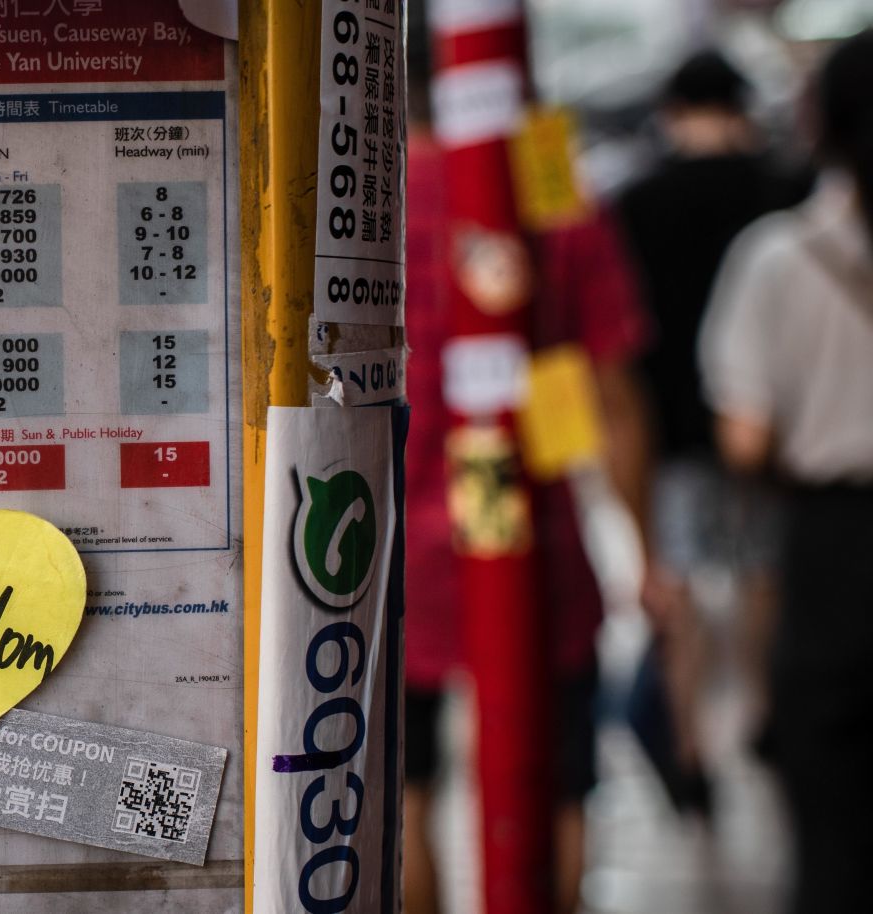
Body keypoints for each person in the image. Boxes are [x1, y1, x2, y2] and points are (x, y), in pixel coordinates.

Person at [402, 24, 656, 914]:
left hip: (392, 551)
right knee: (557, 783)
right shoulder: (556, 195)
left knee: (403, 796)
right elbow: (615, 396)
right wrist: (646, 551)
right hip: (533, 539)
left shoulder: (361, 206)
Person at [699, 30, 873, 914]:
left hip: (834, 550)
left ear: (824, 126)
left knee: (833, 820)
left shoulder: (776, 259)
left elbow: (745, 443)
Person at [615, 52, 809, 818]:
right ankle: (762, 719)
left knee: (682, 589)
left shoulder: (637, 201)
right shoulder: (782, 189)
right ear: (739, 104)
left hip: (669, 432)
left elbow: (626, 343)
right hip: (764, 428)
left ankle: (691, 748)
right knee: (764, 575)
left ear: (671, 109)